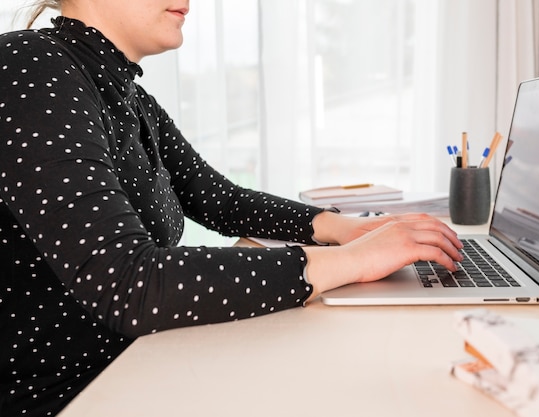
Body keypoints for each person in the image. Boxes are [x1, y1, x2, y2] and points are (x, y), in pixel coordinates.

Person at [0, 1, 463, 415]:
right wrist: (354, 261)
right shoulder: (29, 66)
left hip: (134, 367)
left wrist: (345, 228)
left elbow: (220, 200)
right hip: (68, 397)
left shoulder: (127, 94)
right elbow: (130, 282)